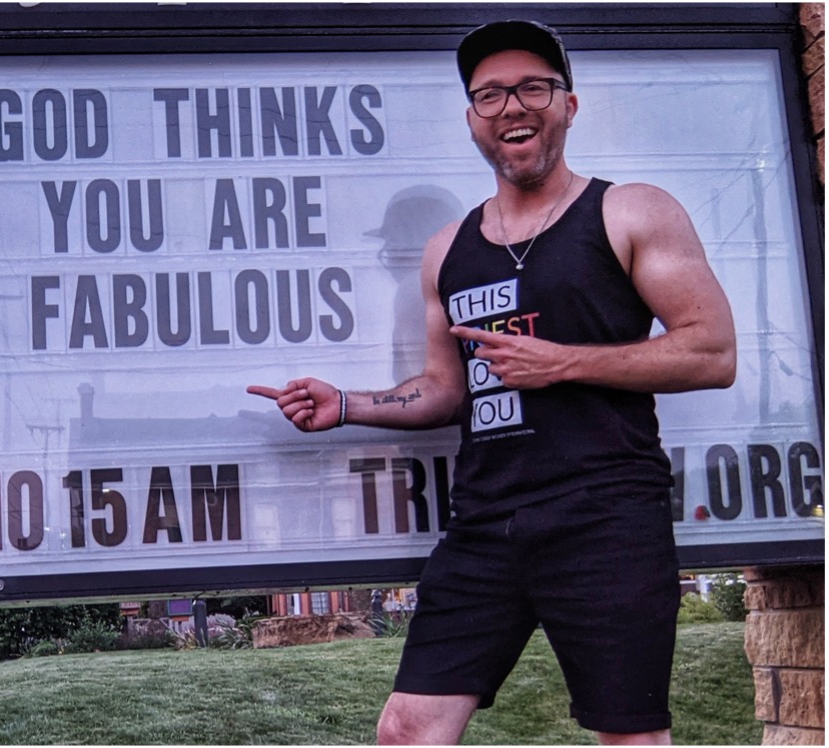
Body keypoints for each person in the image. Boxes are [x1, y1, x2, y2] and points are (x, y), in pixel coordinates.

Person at [248, 20, 736, 746]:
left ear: (568, 105)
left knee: (629, 737)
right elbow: (446, 390)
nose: (513, 105)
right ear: (474, 120)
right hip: (485, 524)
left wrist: (564, 361)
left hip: (604, 515)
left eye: (534, 87)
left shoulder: (630, 210)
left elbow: (712, 352)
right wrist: (349, 405)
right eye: (492, 94)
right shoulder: (449, 250)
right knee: (407, 729)